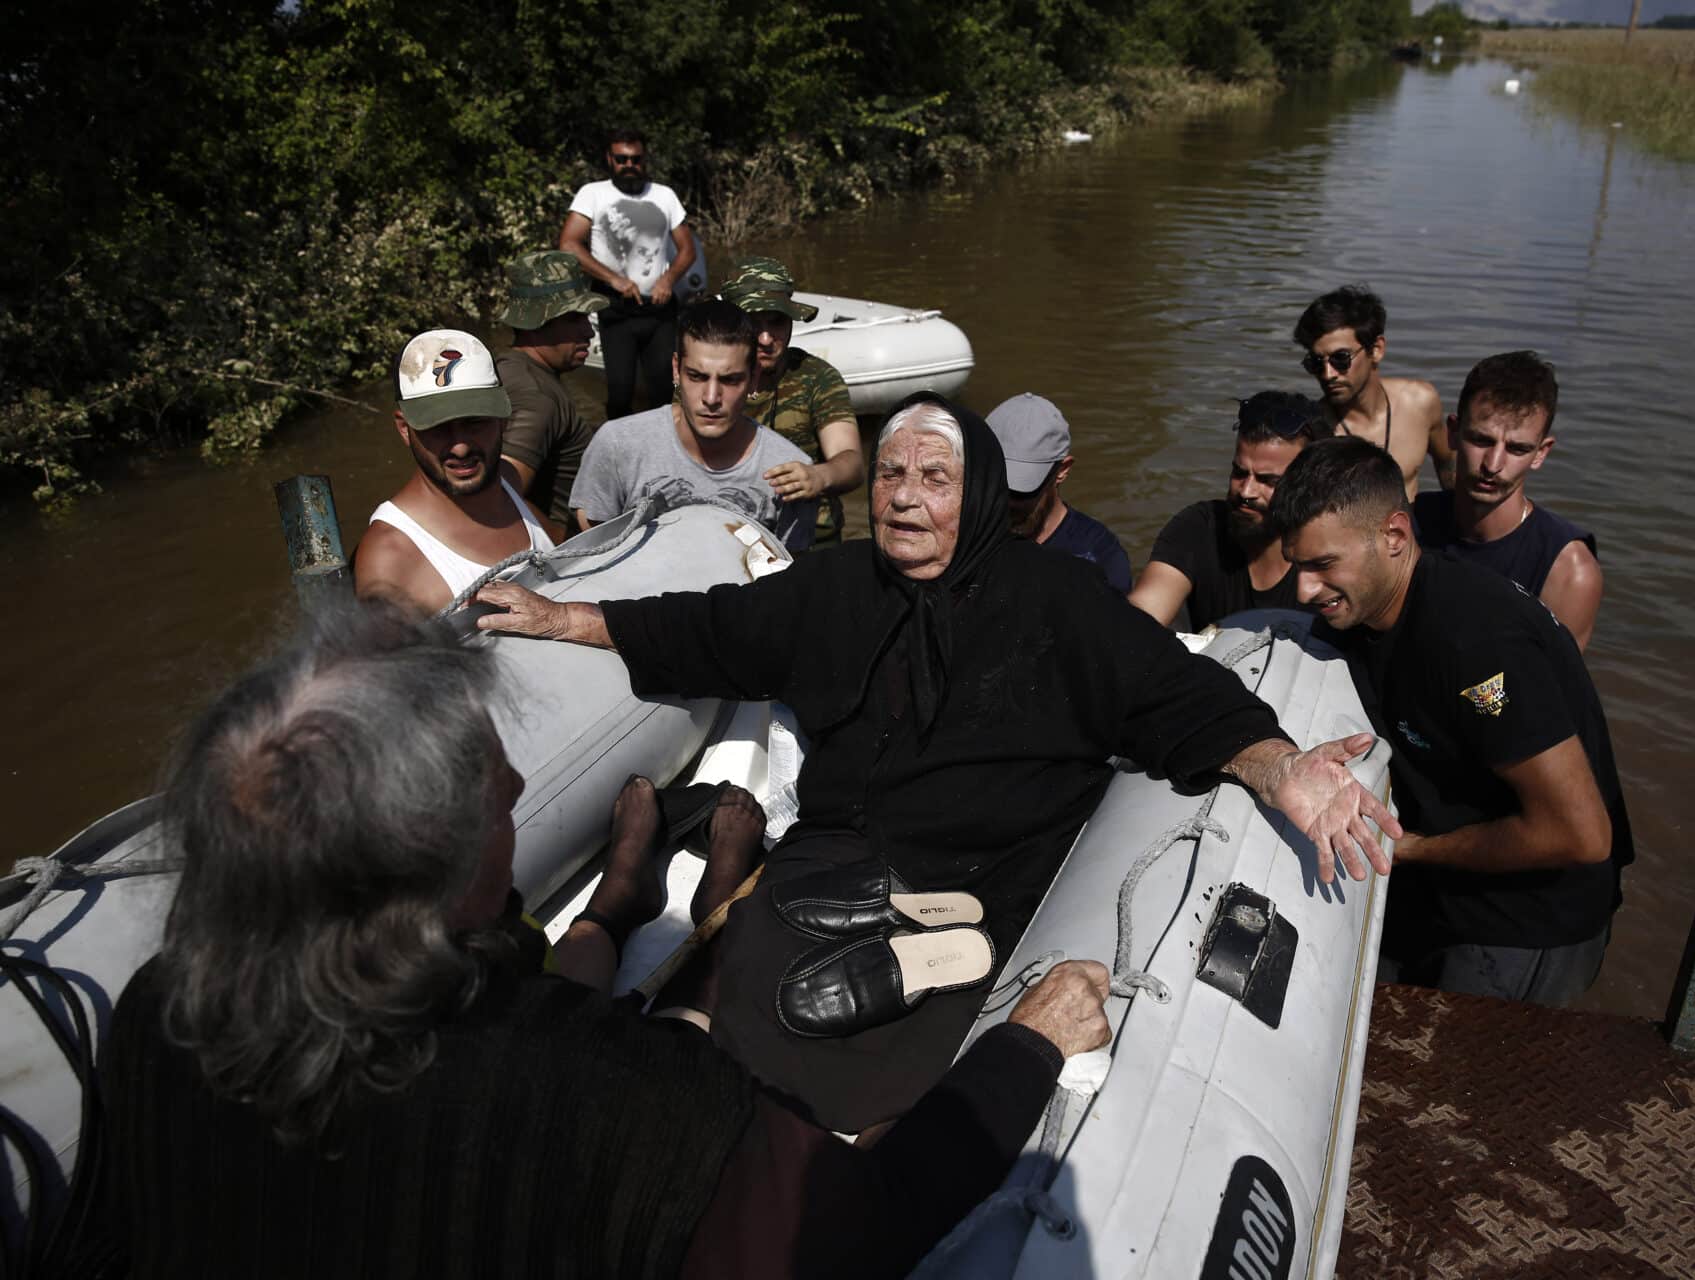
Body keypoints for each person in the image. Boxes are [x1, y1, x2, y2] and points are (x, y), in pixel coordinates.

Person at [84, 602, 1119, 1279]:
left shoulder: (154, 1013)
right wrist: (1022, 1046)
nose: (519, 788)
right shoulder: (622, 1097)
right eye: (489, 794)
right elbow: (862, 1226)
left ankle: (632, 899)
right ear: (428, 859)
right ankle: (704, 899)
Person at [474, 393, 1400, 1135]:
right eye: (890, 474)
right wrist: (567, 618)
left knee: (864, 1071)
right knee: (722, 1012)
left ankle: (831, 1156)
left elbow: (1179, 696)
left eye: (935, 477)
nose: (904, 496)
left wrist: (1282, 770)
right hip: (829, 860)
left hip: (976, 888)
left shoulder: (1059, 601)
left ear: (984, 493)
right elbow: (706, 629)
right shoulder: (834, 587)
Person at [1273, 437, 1634, 1007]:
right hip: (1439, 891)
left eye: (1322, 565)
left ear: (1394, 535)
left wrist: (1411, 849)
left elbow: (1581, 835)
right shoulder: (1367, 612)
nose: (1302, 589)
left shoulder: (1476, 645)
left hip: (1525, 922)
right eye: (1296, 565)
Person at [569, 299, 818, 552]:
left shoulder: (790, 473)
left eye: (730, 380)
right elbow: (590, 553)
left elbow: (790, 577)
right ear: (676, 370)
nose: (711, 398)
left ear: (753, 378)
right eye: (697, 376)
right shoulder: (617, 445)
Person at [1412, 351, 1604, 651]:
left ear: (1541, 452)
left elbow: (1548, 691)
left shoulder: (1568, 571)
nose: (1493, 464)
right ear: (1452, 432)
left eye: (1517, 449)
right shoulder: (1411, 523)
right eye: (1481, 440)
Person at [354, 329, 554, 613]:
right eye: (438, 428)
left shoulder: (506, 481)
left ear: (502, 419)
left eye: (475, 422)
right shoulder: (390, 560)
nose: (460, 448)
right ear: (404, 429)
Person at [1129, 391, 1331, 630]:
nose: (1246, 492)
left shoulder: (1333, 552)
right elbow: (1139, 620)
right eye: (1239, 473)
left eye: (1268, 481)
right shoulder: (1200, 527)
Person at [718, 257, 864, 548]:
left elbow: (852, 461)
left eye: (777, 322)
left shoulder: (817, 377)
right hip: (730, 536)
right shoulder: (706, 379)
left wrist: (820, 475)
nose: (766, 338)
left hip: (809, 540)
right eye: (753, 323)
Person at [558, 128, 697, 419]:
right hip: (616, 308)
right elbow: (569, 244)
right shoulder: (593, 194)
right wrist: (613, 279)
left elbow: (687, 250)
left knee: (664, 391)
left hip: (659, 308)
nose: (629, 165)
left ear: (645, 160)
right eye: (622, 159)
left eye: (635, 159)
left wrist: (668, 279)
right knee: (620, 392)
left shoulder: (664, 195)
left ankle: (666, 452)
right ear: (610, 159)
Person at [1294, 285, 1451, 498]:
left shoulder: (1420, 403)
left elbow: (1448, 464)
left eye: (1340, 358)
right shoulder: (1313, 432)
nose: (1327, 374)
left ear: (1376, 350)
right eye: (1316, 362)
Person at [494, 249, 606, 534]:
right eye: (573, 319)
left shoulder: (502, 367)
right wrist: (560, 549)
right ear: (536, 322)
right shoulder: (537, 398)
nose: (589, 332)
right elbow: (498, 496)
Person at [984, 393, 1130, 591]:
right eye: (997, 487)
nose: (1009, 502)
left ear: (1062, 470)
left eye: (1021, 491)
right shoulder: (961, 533)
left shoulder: (1097, 556)